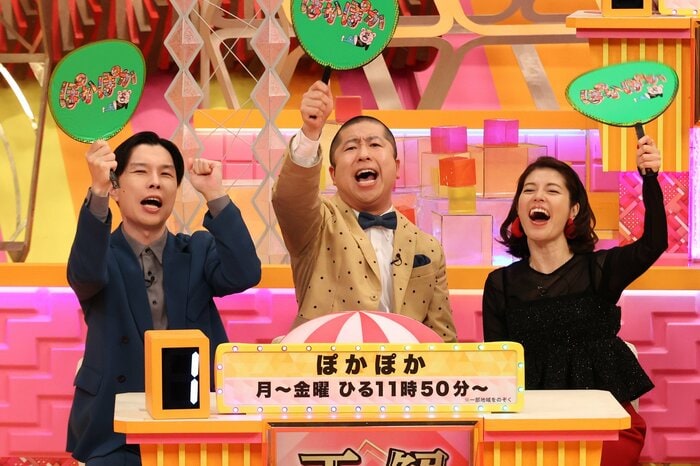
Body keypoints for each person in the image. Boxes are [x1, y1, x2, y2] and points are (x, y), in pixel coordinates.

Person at [66, 131, 262, 466]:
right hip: (113, 428)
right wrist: (96, 191)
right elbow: (84, 275)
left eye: (166, 174)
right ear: (116, 188)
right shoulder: (99, 254)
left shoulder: (197, 249)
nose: (155, 182)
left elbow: (245, 273)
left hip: (195, 419)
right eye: (141, 171)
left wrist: (215, 194)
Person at [482, 138, 667, 466]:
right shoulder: (501, 284)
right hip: (531, 424)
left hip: (604, 423)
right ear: (519, 209)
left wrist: (650, 178)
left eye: (552, 190)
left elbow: (654, 243)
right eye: (529, 190)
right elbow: (498, 369)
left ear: (573, 210)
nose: (538, 196)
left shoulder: (600, 270)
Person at [271, 80, 456, 342]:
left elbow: (442, 339)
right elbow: (291, 198)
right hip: (325, 364)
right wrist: (311, 132)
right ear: (333, 174)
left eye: (375, 145)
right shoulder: (316, 225)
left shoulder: (428, 248)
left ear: (397, 167)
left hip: (401, 367)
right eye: (351, 147)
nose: (363, 154)